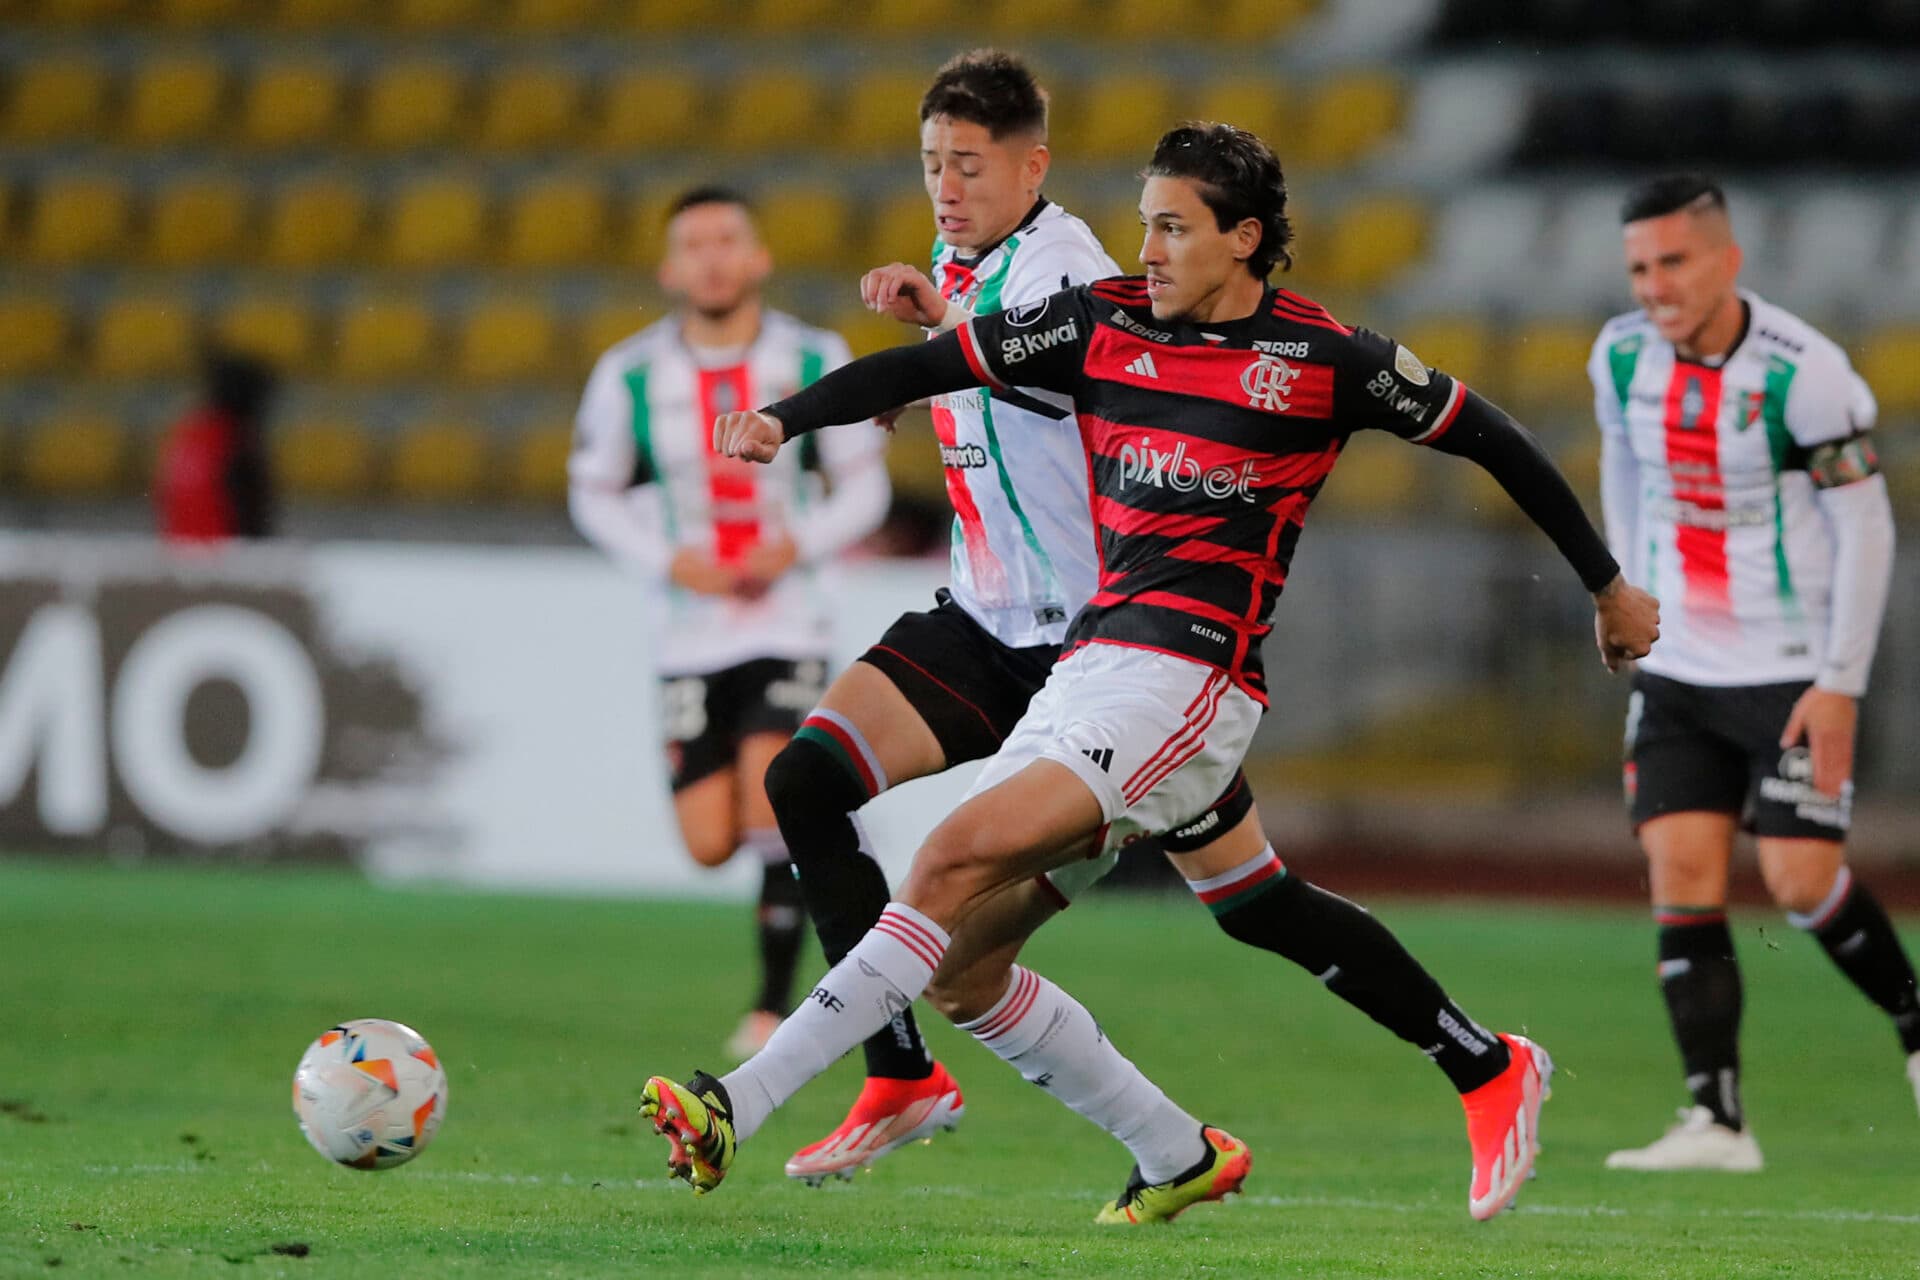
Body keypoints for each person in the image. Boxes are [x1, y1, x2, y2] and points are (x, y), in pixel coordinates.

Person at [642, 122, 1660, 1222]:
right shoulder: (1103, 321)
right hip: (1088, 671)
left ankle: (736, 1103)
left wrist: (1608, 586)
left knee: (947, 859)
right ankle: (1210, 1142)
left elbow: (1491, 436)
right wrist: (784, 418)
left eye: (1173, 228)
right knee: (997, 959)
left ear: (1244, 238)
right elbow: (934, 364)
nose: (1149, 250)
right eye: (1145, 226)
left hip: (1191, 682)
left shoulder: (1325, 360)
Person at [1591, 174, 1911, 1173]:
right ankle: (1717, 1121)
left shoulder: (1805, 373)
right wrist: (1619, 588)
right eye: (1640, 267)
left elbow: (1867, 528)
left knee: (1800, 880)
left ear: (1727, 260)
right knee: (1680, 874)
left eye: (1674, 262)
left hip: (1791, 674)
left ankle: (1915, 1025)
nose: (1654, 286)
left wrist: (1840, 683)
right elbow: (1623, 464)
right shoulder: (1621, 355)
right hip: (1680, 672)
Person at [569, 186, 891, 1060]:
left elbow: (865, 485)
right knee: (711, 842)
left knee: (771, 800)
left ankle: (773, 1007)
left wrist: (797, 546)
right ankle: (839, 845)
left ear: (758, 258)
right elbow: (592, 492)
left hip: (789, 622)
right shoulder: (630, 375)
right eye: (695, 244)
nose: (712, 258)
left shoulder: (813, 356)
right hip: (687, 631)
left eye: (727, 240)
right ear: (670, 269)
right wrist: (667, 560)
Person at [155, 349, 277, 544]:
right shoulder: (232, 440)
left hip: (179, 550)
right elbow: (251, 515)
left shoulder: (187, 432)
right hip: (225, 553)